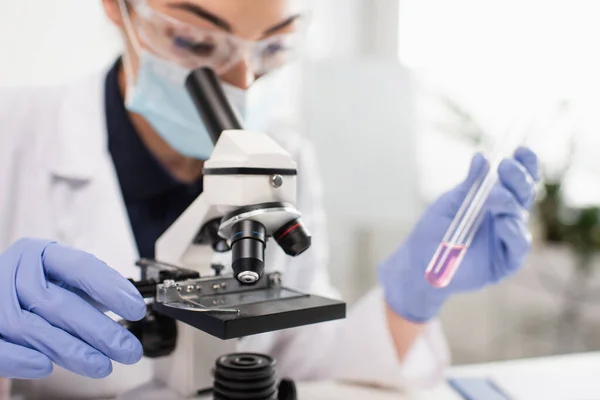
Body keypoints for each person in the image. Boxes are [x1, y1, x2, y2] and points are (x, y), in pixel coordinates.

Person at [0, 0, 540, 398]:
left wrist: (411, 298)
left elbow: (304, 357)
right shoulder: (14, 133)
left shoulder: (287, 156)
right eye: (196, 42)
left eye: (274, 47)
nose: (242, 80)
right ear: (118, 9)